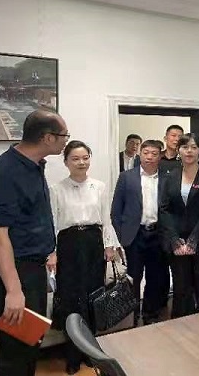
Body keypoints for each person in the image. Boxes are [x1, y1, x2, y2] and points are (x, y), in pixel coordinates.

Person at [0, 109, 69, 376]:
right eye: (64, 135)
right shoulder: (6, 171)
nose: (66, 140)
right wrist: (13, 291)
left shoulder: (34, 165)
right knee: (15, 353)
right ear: (48, 138)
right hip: (14, 272)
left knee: (29, 344)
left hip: (33, 270)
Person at [49, 140, 118, 375]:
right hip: (68, 244)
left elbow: (106, 219)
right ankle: (72, 354)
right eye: (75, 159)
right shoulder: (56, 189)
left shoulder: (99, 186)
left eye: (85, 158)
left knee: (92, 296)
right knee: (71, 297)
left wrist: (109, 246)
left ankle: (91, 352)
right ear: (66, 162)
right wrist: (52, 252)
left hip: (93, 243)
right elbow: (53, 223)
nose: (81, 162)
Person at [159, 133, 199, 317]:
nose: (189, 151)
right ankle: (181, 326)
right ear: (178, 150)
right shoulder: (170, 176)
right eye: (185, 147)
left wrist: (194, 240)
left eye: (194, 147)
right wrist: (174, 240)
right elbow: (163, 209)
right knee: (181, 288)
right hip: (177, 243)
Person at [111, 140, 170, 326]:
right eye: (146, 153)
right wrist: (122, 237)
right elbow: (116, 211)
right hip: (134, 235)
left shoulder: (168, 178)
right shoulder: (126, 177)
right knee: (133, 277)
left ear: (160, 156)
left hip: (158, 234)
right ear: (140, 154)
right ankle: (133, 315)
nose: (149, 157)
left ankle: (150, 313)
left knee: (155, 276)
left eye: (154, 153)